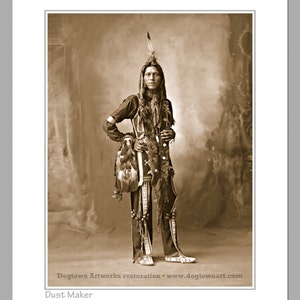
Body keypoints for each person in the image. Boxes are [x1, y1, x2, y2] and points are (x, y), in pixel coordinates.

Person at [103, 36, 196, 266]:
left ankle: (172, 252)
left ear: (161, 78)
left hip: (164, 163)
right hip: (142, 161)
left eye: (155, 74)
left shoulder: (166, 104)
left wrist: (171, 134)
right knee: (142, 207)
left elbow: (166, 128)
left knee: (168, 204)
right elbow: (108, 123)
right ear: (142, 78)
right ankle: (141, 253)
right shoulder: (133, 102)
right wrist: (128, 139)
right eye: (147, 74)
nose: (151, 78)